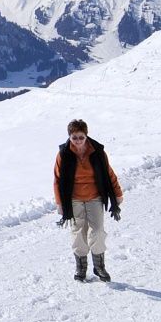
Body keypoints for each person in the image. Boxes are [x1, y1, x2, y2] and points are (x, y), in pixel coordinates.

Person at [53, 119, 123, 282]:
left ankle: (99, 267)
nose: (77, 140)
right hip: (74, 199)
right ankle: (81, 268)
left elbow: (109, 174)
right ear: (69, 136)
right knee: (78, 233)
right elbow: (57, 179)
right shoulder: (63, 154)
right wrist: (60, 203)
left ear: (86, 135)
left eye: (81, 137)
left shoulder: (97, 152)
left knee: (97, 231)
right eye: (74, 137)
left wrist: (117, 194)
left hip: (95, 197)